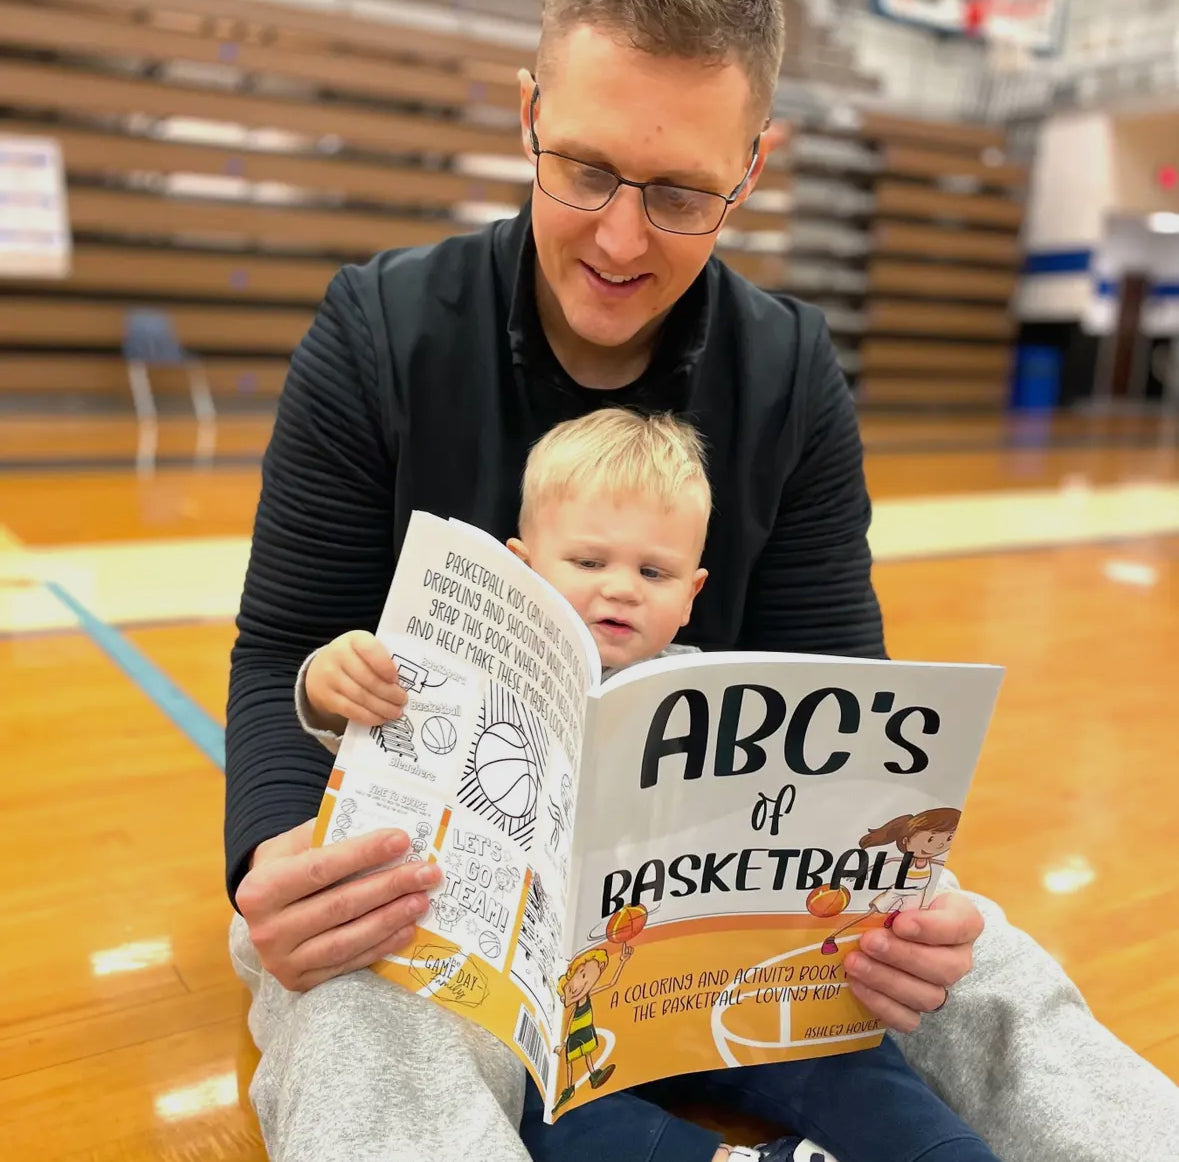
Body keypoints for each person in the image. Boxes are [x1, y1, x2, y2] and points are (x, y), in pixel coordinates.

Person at [225, 2, 1179, 1160]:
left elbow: (845, 695)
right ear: (530, 115)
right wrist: (273, 848)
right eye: (583, 170)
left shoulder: (789, 370)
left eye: (679, 195)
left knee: (976, 966)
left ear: (753, 169)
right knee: (368, 1012)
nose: (621, 240)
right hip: (435, 861)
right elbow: (283, 640)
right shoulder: (378, 329)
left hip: (715, 866)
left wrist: (896, 886)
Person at [299, 407, 1004, 1161]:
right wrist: (328, 682)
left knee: (853, 1056)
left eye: (653, 572)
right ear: (522, 564)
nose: (622, 589)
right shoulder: (469, 668)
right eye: (589, 562)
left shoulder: (719, 696)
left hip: (715, 986)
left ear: (692, 590)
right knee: (535, 1106)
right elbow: (363, 730)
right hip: (558, 1009)